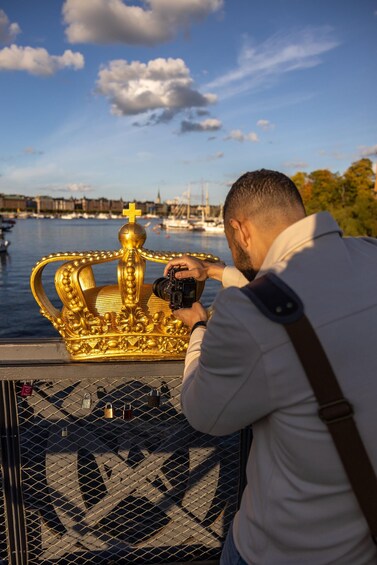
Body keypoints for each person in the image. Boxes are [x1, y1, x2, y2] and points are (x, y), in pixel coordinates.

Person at [164, 169, 377, 564]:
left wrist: (197, 327)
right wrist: (213, 271)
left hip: (283, 549)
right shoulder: (369, 255)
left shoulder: (245, 314)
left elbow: (202, 411)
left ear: (240, 230)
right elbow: (284, 306)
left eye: (231, 243)